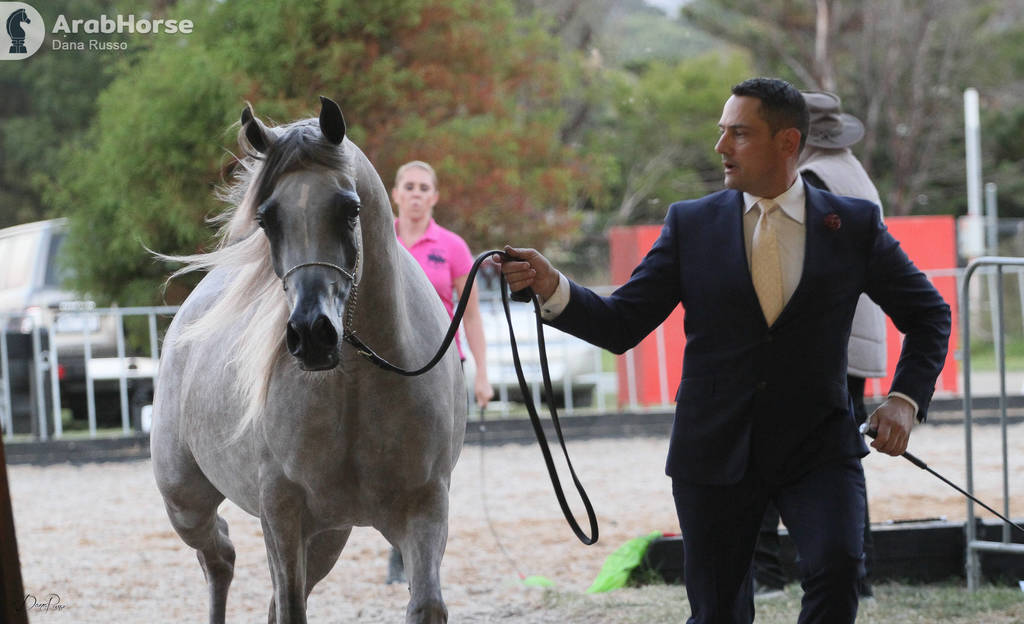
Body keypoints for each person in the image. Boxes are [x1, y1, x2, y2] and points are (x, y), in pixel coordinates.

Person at [496, 78, 950, 623]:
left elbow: (929, 314)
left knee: (838, 567)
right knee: (717, 611)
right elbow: (622, 324)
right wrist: (552, 287)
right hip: (712, 448)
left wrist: (904, 398)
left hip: (818, 446)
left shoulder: (851, 224)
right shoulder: (689, 224)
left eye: (739, 133)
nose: (721, 147)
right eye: (721, 132)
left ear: (787, 143)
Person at [753, 90, 887, 599]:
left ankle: (766, 574)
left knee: (768, 447)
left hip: (826, 340)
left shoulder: (812, 179)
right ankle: (859, 576)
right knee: (842, 458)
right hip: (858, 337)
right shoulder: (851, 169)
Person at [385, 160, 495, 584]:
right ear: (395, 194)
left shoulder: (452, 247)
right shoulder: (378, 239)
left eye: (423, 187)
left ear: (434, 197)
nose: (415, 193)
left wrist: (482, 373)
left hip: (441, 369)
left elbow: (471, 318)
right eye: (408, 186)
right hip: (388, 369)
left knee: (429, 467)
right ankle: (398, 544)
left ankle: (413, 550)